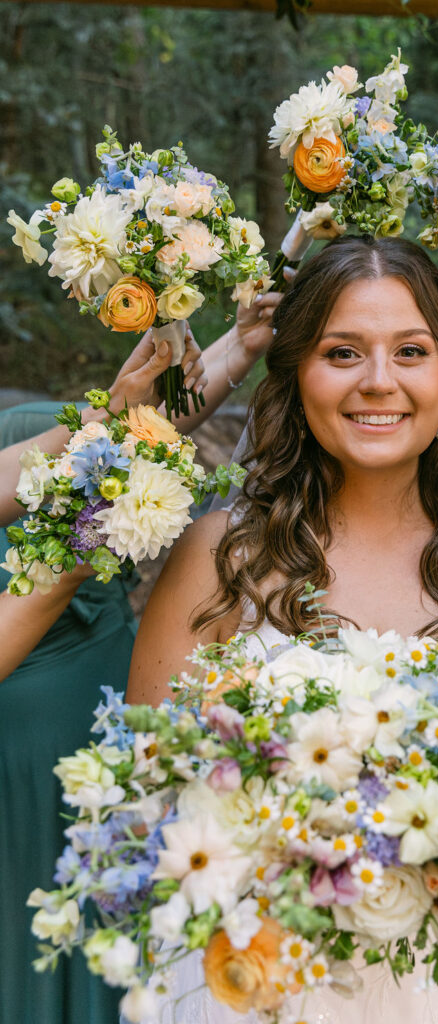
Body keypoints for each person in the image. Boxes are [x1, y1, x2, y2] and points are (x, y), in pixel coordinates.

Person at [128, 236, 438, 1024]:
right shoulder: (219, 560)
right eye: (343, 352)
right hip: (269, 981)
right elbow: (148, 808)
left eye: (411, 351)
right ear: (297, 372)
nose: (379, 382)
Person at [0, 294, 280, 1024]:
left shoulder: (26, 435)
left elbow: (120, 435)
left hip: (104, 755)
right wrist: (78, 542)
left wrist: (235, 351)